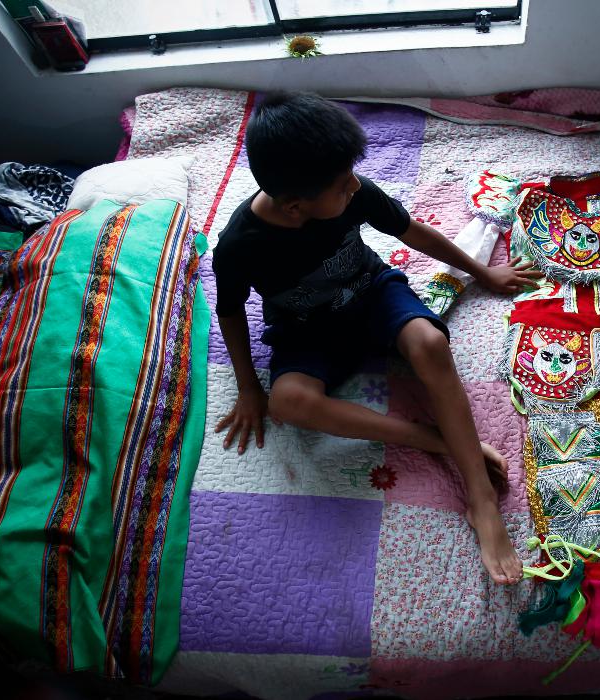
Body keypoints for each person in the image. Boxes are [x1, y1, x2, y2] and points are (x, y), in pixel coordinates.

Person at [211, 92, 540, 584]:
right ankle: (440, 441)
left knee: (430, 343)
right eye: (342, 187)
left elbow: (412, 231)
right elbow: (231, 311)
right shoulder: (240, 244)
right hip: (307, 331)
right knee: (289, 403)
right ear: (295, 206)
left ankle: (481, 495)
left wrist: (482, 273)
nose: (354, 188)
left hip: (371, 294)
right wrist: (248, 388)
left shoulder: (351, 190)